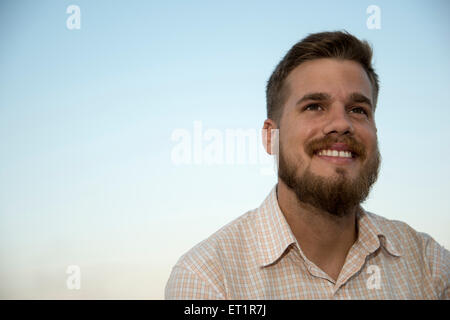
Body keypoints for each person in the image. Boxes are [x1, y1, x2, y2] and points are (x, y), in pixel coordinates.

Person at [165, 31, 449, 299]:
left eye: (358, 110)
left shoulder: (429, 265)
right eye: (314, 106)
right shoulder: (209, 280)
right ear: (270, 137)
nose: (341, 123)